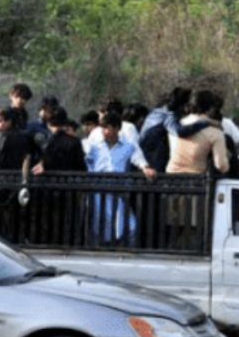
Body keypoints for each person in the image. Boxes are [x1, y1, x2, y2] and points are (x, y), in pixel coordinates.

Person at [86, 112, 155, 245]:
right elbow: (86, 163)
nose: (104, 131)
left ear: (117, 128)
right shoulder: (94, 147)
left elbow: (137, 157)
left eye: (108, 128)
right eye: (103, 128)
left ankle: (127, 254)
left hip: (119, 192)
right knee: (98, 226)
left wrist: (145, 167)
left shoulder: (128, 146)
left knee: (130, 226)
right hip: (98, 191)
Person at [166, 90, 230, 175]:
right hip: (197, 182)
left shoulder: (175, 126)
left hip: (170, 178)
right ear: (211, 108)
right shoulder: (215, 132)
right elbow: (221, 166)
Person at [32, 106, 85, 174]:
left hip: (52, 181)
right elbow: (81, 167)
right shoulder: (75, 141)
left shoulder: (47, 143)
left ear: (48, 123)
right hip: (71, 181)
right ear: (65, 123)